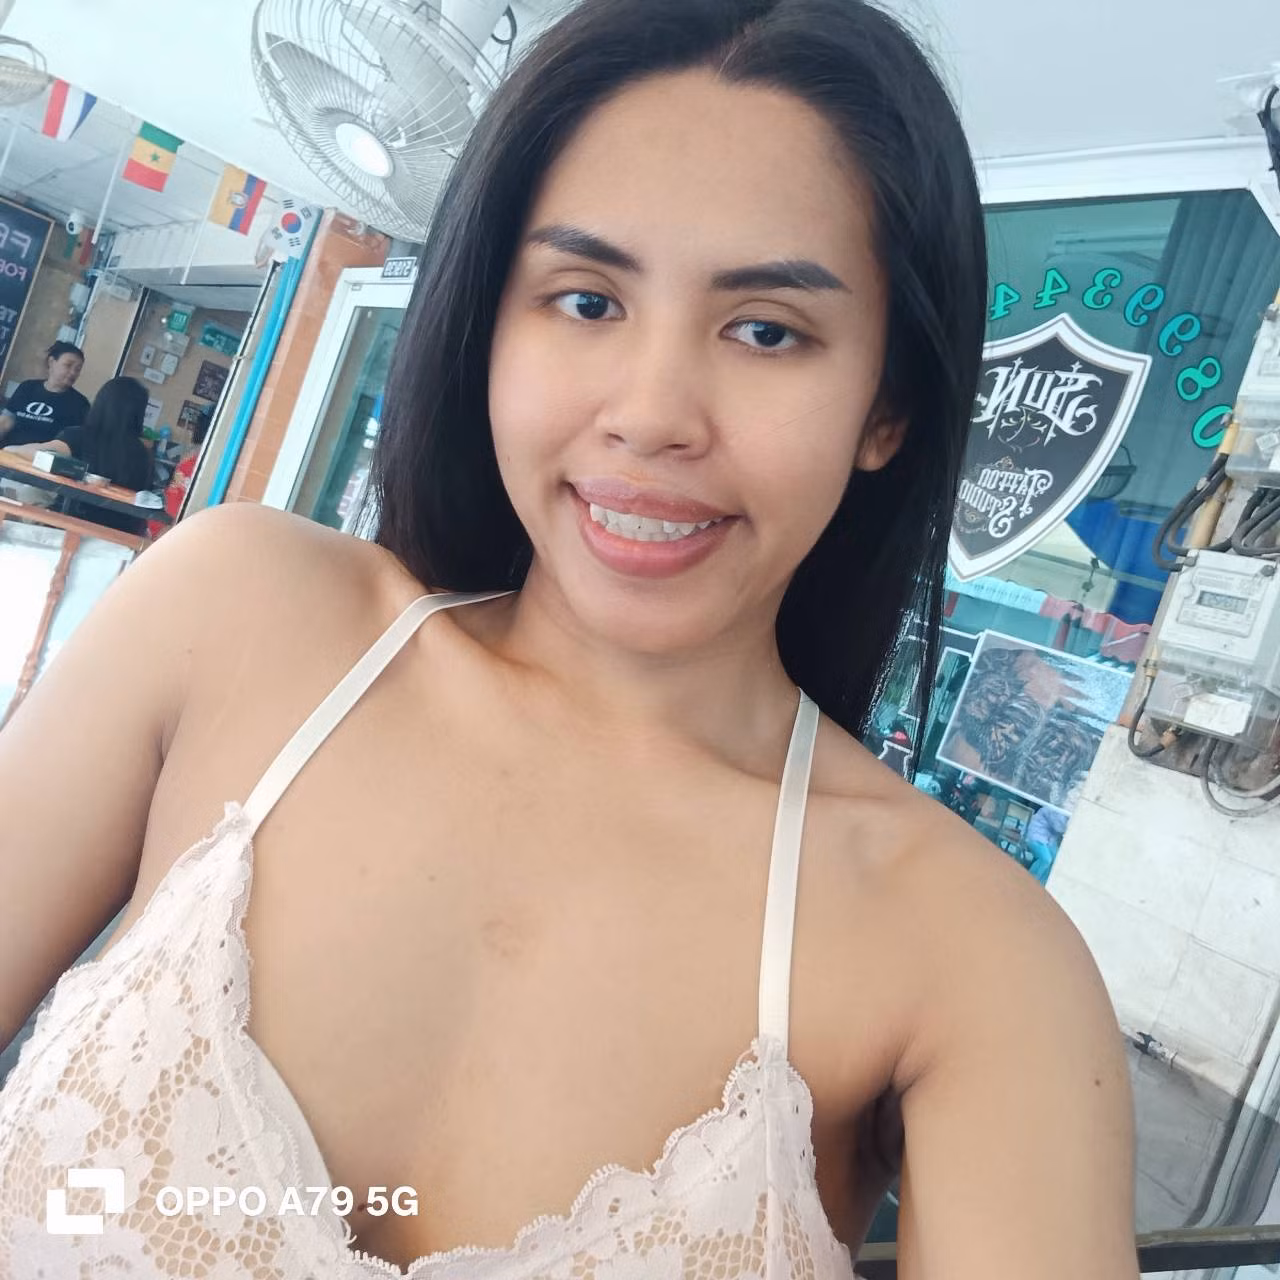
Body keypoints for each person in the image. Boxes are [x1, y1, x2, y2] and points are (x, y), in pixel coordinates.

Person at [0, 2, 1137, 1277]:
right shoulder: (234, 614)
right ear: (489, 324)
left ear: (887, 409)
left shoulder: (971, 958)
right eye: (586, 299)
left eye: (766, 329)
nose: (650, 414)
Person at [3, 375, 153, 536]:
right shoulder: (145, 454)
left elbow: (38, 453)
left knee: (28, 493)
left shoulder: (80, 436)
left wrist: (9, 448)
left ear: (100, 404)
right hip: (122, 536)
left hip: (72, 527)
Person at [0, 340, 90, 448]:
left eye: (77, 369)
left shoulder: (80, 404)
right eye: (68, 365)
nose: (73, 373)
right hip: (8, 451)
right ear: (51, 362)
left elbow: (70, 443)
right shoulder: (27, 387)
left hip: (41, 456)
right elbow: (5, 422)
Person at [1024, 805, 1071, 885]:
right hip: (1034, 835)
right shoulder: (1055, 808)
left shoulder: (1067, 814)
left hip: (1048, 840)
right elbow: (1058, 827)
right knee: (1046, 859)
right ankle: (1029, 881)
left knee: (1056, 861)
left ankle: (1041, 884)